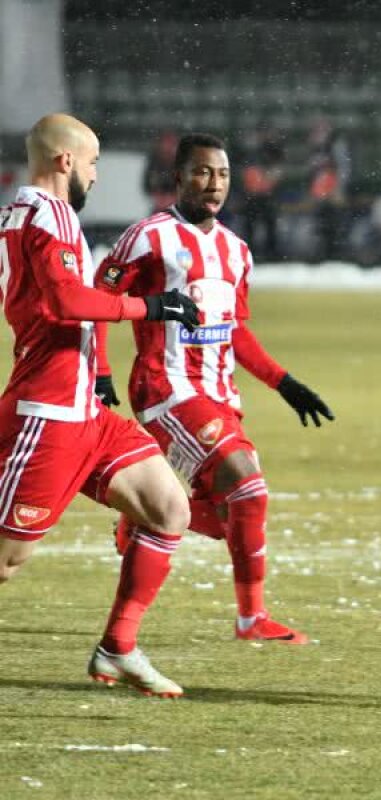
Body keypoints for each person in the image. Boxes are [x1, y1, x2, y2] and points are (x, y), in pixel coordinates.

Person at [94, 132, 334, 645]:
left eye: (222, 174)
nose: (214, 184)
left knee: (236, 513)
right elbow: (99, 296)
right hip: (167, 389)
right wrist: (100, 370)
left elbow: (236, 329)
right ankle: (250, 618)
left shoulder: (236, 250)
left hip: (219, 393)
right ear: (179, 177)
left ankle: (142, 517)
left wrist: (284, 383)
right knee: (248, 484)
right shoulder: (149, 236)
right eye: (202, 172)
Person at [0, 113, 202, 697]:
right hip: (49, 413)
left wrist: (104, 367)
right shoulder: (50, 212)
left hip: (83, 408)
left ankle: (118, 647)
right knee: (6, 563)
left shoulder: (19, 211)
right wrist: (152, 307)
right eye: (91, 164)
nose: (94, 174)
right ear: (66, 162)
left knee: (168, 510)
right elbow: (66, 301)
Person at [306, 118, 351, 263]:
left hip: (332, 191)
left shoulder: (335, 146)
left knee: (335, 224)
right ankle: (323, 255)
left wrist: (339, 189)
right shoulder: (315, 148)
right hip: (320, 192)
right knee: (321, 225)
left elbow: (343, 168)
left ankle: (336, 255)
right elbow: (313, 172)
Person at [240, 131, 284, 262]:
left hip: (265, 195)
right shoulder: (251, 152)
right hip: (254, 195)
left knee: (268, 225)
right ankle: (255, 252)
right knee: (251, 226)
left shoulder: (270, 149)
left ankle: (270, 253)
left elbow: (277, 168)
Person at [142, 130, 178, 214]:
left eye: (171, 144)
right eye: (165, 144)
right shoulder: (154, 163)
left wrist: (173, 197)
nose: (167, 147)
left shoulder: (181, 163)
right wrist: (158, 196)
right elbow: (147, 184)